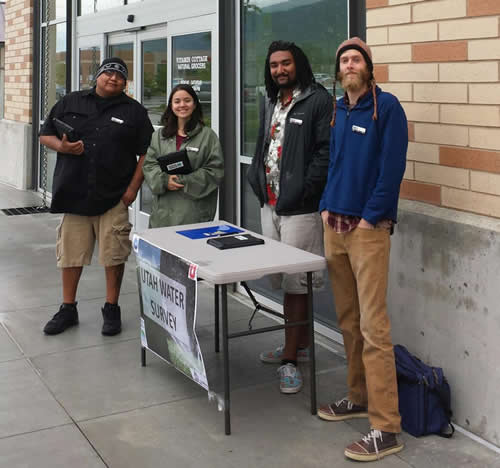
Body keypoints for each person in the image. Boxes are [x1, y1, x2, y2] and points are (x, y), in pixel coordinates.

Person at [317, 37, 408, 462]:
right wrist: (323, 206)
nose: (350, 65)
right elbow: (335, 163)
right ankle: (357, 396)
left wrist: (372, 217)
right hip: (333, 224)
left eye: (357, 59)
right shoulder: (338, 109)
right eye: (344, 60)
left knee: (374, 329)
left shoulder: (386, 107)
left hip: (367, 230)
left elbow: (392, 169)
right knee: (348, 322)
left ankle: (387, 427)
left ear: (369, 67)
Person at [39, 57, 154, 336]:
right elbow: (45, 135)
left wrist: (131, 192)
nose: (113, 78)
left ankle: (111, 308)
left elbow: (146, 153)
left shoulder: (134, 111)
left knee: (114, 256)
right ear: (98, 76)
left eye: (119, 75)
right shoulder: (71, 102)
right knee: (70, 255)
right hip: (75, 195)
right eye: (108, 73)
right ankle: (68, 308)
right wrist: (63, 148)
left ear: (125, 82)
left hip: (113, 196)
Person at [247, 41, 332, 394]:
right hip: (271, 205)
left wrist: (304, 192)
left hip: (300, 209)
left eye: (286, 63)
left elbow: (325, 152)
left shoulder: (317, 100)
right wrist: (255, 177)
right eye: (274, 65)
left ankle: (290, 361)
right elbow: (263, 146)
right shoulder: (271, 101)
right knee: (284, 281)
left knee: (299, 284)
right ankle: (299, 346)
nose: (280, 70)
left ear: (298, 64)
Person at [142, 84, 224, 228]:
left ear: (194, 104)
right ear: (171, 106)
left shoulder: (208, 136)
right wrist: (164, 180)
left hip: (193, 214)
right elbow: (149, 165)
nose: (182, 105)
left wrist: (184, 181)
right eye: (177, 101)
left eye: (187, 100)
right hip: (163, 215)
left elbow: (215, 171)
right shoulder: (159, 136)